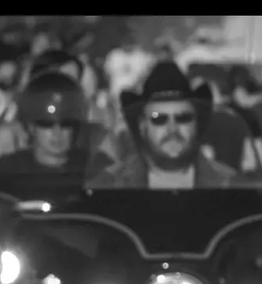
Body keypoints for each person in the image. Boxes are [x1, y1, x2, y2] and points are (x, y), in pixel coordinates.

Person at [88, 62, 247, 190]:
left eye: (183, 118)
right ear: (143, 126)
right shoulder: (108, 185)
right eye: (158, 118)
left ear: (196, 124)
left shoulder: (230, 185)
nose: (172, 129)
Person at [0, 72, 105, 191]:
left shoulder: (95, 168)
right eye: (46, 123)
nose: (57, 133)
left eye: (66, 124)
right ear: (30, 126)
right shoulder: (8, 170)